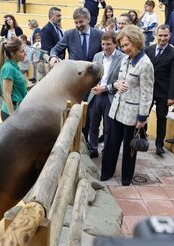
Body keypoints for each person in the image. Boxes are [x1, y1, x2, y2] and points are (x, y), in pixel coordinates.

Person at [100, 25, 154, 186]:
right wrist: (116, 84)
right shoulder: (125, 59)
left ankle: (126, 177)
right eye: (122, 46)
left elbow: (147, 93)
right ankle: (106, 172)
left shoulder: (145, 64)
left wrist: (142, 117)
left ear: (136, 42)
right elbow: (117, 80)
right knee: (111, 144)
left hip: (132, 114)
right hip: (116, 110)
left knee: (130, 150)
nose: (124, 48)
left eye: (126, 45)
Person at [50, 7, 102, 142]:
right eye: (76, 23)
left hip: (93, 84)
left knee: (91, 116)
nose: (78, 26)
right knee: (74, 114)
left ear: (88, 20)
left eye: (81, 22)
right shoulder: (69, 34)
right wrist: (53, 56)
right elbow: (56, 48)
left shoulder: (99, 34)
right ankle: (74, 140)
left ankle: (88, 144)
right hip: (75, 83)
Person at [88, 31, 125, 158]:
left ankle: (106, 151)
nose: (105, 47)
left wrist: (105, 89)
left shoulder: (123, 58)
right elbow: (92, 75)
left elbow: (121, 81)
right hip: (95, 95)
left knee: (108, 128)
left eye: (108, 44)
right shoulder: (97, 56)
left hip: (110, 96)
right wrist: (92, 86)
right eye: (103, 44)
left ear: (115, 44)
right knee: (93, 125)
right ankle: (93, 148)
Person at [145, 24, 174, 155]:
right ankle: (142, 135)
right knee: (143, 114)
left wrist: (171, 96)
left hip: (164, 92)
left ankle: (159, 144)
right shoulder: (148, 50)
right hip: (147, 90)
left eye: (165, 36)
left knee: (161, 117)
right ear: (155, 36)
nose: (163, 38)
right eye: (160, 35)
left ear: (169, 36)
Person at [0, 37, 27, 121]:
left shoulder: (15, 66)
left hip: (18, 110)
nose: (25, 53)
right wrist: (12, 119)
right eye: (22, 51)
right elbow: (7, 95)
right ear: (13, 54)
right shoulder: (8, 68)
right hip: (11, 113)